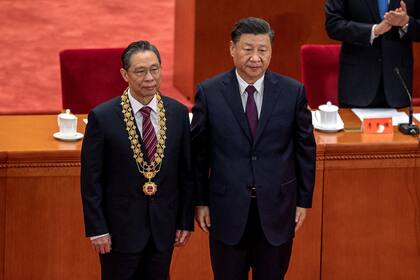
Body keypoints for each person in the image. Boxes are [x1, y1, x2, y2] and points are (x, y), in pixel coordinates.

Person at [191, 17, 316, 280]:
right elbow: (199, 154)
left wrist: (303, 201)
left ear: (271, 51)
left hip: (277, 210)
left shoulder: (292, 92)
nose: (256, 58)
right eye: (248, 49)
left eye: (263, 50)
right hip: (226, 211)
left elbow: (305, 150)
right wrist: (200, 201)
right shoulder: (209, 92)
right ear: (232, 49)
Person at [81, 40, 194, 280]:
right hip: (118, 231)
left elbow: (186, 173)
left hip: (163, 229)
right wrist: (97, 228)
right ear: (125, 74)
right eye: (140, 71)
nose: (149, 78)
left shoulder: (178, 113)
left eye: (155, 69)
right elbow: (91, 180)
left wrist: (185, 220)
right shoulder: (102, 117)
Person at [325, 0, 420, 108]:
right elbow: (333, 24)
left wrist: (406, 23)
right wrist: (373, 31)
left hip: (398, 84)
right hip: (357, 83)